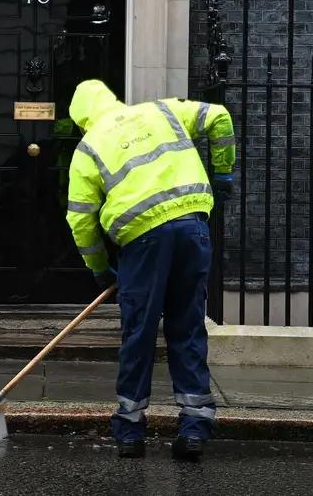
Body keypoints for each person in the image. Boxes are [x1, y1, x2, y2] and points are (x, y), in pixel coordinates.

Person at [64, 79, 235, 461]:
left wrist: (101, 270)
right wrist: (222, 174)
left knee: (139, 333)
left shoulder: (88, 148)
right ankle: (194, 427)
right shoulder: (160, 110)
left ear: (81, 120)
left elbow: (80, 221)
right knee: (187, 326)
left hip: (144, 241)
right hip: (193, 226)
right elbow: (219, 116)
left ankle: (130, 431)